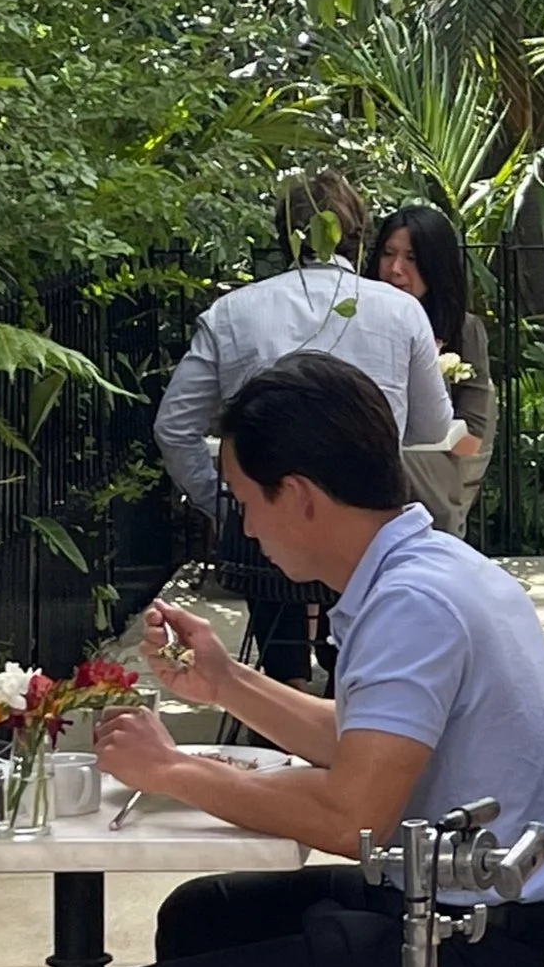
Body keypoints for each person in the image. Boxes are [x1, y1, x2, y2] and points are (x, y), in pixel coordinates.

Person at [88, 352, 544, 967]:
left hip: (473, 956)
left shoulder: (412, 603)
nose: (244, 523)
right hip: (484, 916)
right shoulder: (431, 566)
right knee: (202, 918)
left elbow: (350, 814)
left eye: (246, 498)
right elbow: (366, 742)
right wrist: (225, 681)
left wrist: (175, 772)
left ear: (301, 495)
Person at [156, 171, 453, 686]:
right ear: (357, 235)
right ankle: (348, 685)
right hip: (366, 535)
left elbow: (173, 425)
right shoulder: (402, 311)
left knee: (271, 513)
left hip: (265, 540)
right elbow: (432, 426)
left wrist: (226, 504)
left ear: (285, 234)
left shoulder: (233, 313)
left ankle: (284, 679)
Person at [367, 203, 493, 537]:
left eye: (412, 258)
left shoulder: (464, 331)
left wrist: (426, 445)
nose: (396, 269)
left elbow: (474, 437)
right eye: (388, 254)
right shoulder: (356, 321)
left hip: (429, 493)